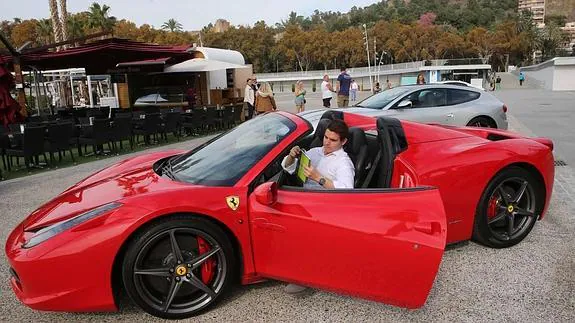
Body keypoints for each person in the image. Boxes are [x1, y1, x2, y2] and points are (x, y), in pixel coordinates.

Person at [281, 119, 355, 294]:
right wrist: (292, 156)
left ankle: (305, 276)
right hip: (305, 201)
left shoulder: (344, 163)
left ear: (343, 142)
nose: (327, 142)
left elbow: (347, 190)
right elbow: (287, 168)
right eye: (326, 137)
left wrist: (318, 178)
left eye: (333, 140)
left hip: (327, 207)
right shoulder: (315, 152)